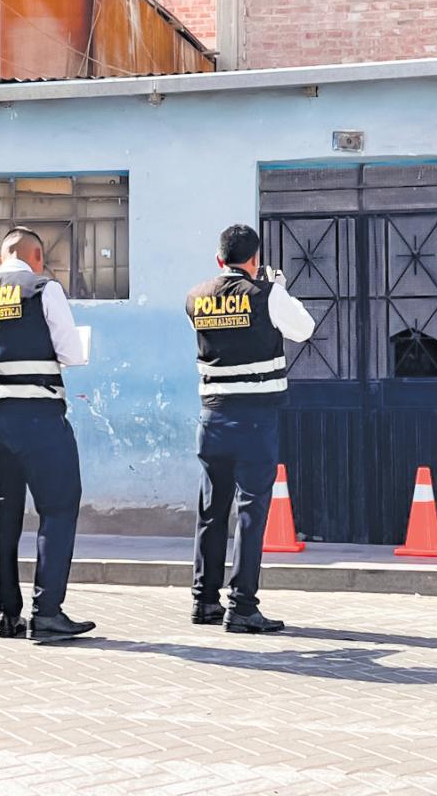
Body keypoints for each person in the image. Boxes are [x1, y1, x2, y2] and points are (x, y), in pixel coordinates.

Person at [0, 226, 95, 641]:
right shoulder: (43, 289)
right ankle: (47, 612)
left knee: (4, 512)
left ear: (0, 259)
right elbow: (71, 354)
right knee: (58, 507)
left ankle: (7, 615)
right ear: (37, 258)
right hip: (39, 416)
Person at [185, 224, 316, 633]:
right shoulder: (267, 294)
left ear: (219, 259)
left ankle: (204, 601)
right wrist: (278, 288)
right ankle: (242, 606)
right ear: (255, 259)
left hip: (212, 418)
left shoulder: (195, 297)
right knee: (250, 511)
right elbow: (304, 329)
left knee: (211, 511)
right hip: (255, 420)